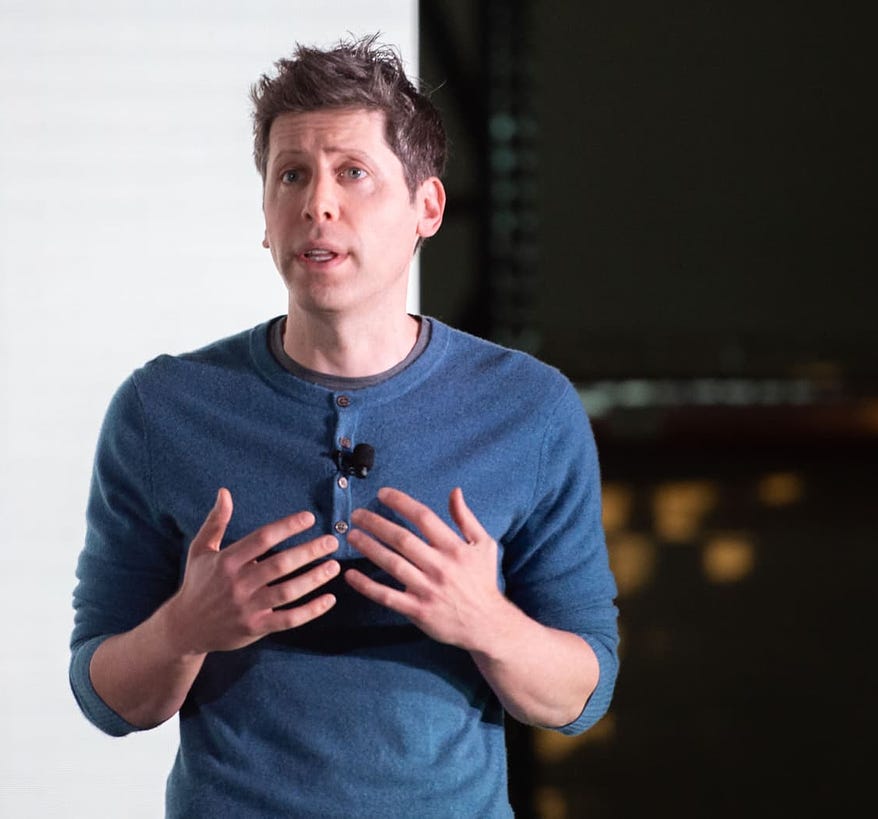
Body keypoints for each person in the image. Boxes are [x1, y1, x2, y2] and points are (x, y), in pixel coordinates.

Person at [69, 34, 619, 818]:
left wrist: (483, 619)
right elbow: (106, 695)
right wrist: (184, 629)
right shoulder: (163, 407)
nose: (316, 203)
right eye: (291, 175)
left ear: (427, 206)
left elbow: (580, 694)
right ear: (266, 216)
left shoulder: (530, 408)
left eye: (352, 173)